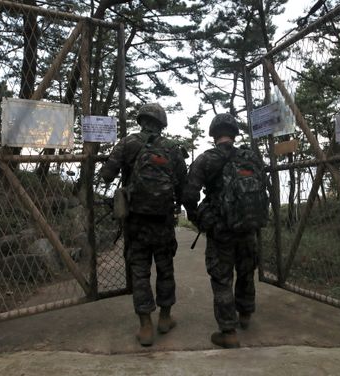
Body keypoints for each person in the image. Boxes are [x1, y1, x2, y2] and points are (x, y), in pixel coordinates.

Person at [101, 103, 187, 346]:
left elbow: (107, 175)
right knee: (165, 267)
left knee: (139, 271)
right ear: (162, 124)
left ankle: (145, 326)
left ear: (141, 121)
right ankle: (165, 318)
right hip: (163, 221)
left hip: (136, 221)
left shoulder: (127, 143)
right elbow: (183, 184)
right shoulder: (171, 148)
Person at [182, 113, 266, 349]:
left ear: (213, 134)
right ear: (234, 133)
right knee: (247, 271)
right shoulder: (250, 157)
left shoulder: (207, 159)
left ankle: (228, 331)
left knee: (222, 278)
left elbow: (189, 194)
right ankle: (246, 314)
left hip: (221, 229)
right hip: (248, 227)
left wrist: (198, 218)